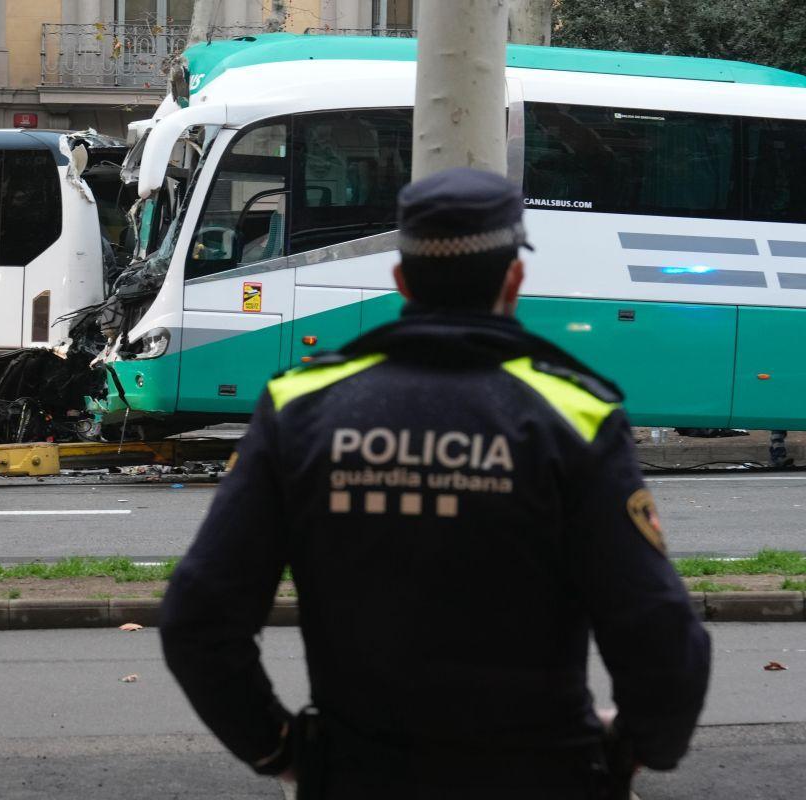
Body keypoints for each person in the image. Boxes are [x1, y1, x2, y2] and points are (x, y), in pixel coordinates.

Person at [160, 168, 711, 798]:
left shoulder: (303, 409)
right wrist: (634, 746)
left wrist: (281, 749)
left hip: (357, 778)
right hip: (542, 775)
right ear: (514, 278)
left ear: (401, 281)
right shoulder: (573, 416)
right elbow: (660, 632)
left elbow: (197, 618)